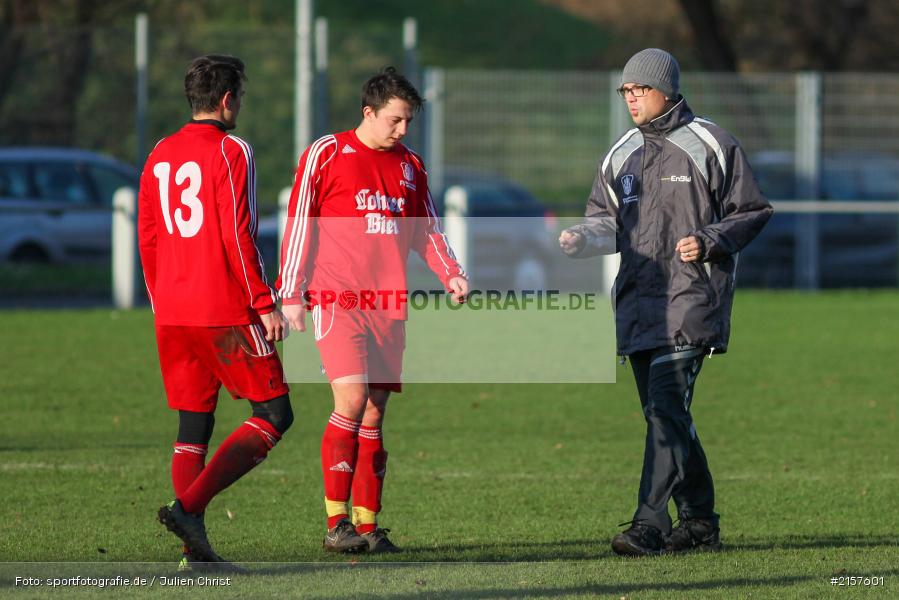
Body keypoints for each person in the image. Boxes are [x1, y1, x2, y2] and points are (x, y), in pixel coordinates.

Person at [559, 48, 773, 556]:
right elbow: (606, 222)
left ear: (667, 89)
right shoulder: (620, 154)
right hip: (639, 305)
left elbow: (752, 211)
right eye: (626, 91)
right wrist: (582, 238)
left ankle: (648, 524)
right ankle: (699, 522)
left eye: (640, 90)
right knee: (667, 416)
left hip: (692, 300)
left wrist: (710, 240)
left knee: (665, 410)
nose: (631, 99)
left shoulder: (713, 143)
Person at [277, 67, 468, 553]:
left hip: (389, 305)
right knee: (352, 400)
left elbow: (427, 229)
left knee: (375, 414)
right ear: (368, 112)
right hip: (337, 298)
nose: (402, 130)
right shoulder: (327, 153)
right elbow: (299, 222)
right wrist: (291, 292)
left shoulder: (411, 166)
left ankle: (367, 526)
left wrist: (450, 272)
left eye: (408, 122)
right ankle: (336, 523)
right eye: (394, 120)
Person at [138, 54, 294, 570]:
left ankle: (195, 553)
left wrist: (162, 302)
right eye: (240, 97)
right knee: (274, 413)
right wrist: (264, 302)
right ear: (227, 100)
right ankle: (187, 511)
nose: (240, 106)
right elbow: (238, 234)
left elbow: (149, 236)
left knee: (193, 424)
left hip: (173, 313)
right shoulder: (232, 150)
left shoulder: (160, 152)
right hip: (223, 313)